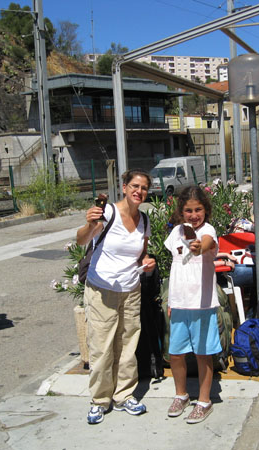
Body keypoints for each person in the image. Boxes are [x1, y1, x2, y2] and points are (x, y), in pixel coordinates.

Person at [76, 169, 156, 425]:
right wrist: (89, 224)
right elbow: (80, 241)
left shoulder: (144, 219)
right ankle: (100, 401)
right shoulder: (107, 213)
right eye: (134, 186)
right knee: (101, 347)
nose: (139, 191)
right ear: (123, 187)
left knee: (127, 345)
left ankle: (123, 395)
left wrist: (147, 261)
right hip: (102, 290)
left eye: (143, 188)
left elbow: (140, 253)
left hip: (131, 289)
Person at [164, 186, 222, 424]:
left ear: (205, 210)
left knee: (202, 354)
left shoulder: (208, 231)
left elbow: (207, 243)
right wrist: (170, 301)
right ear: (181, 212)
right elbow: (175, 266)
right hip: (178, 303)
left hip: (202, 305)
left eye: (198, 210)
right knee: (175, 354)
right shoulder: (176, 232)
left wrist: (199, 246)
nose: (193, 215)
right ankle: (182, 395)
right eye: (188, 210)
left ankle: (205, 401)